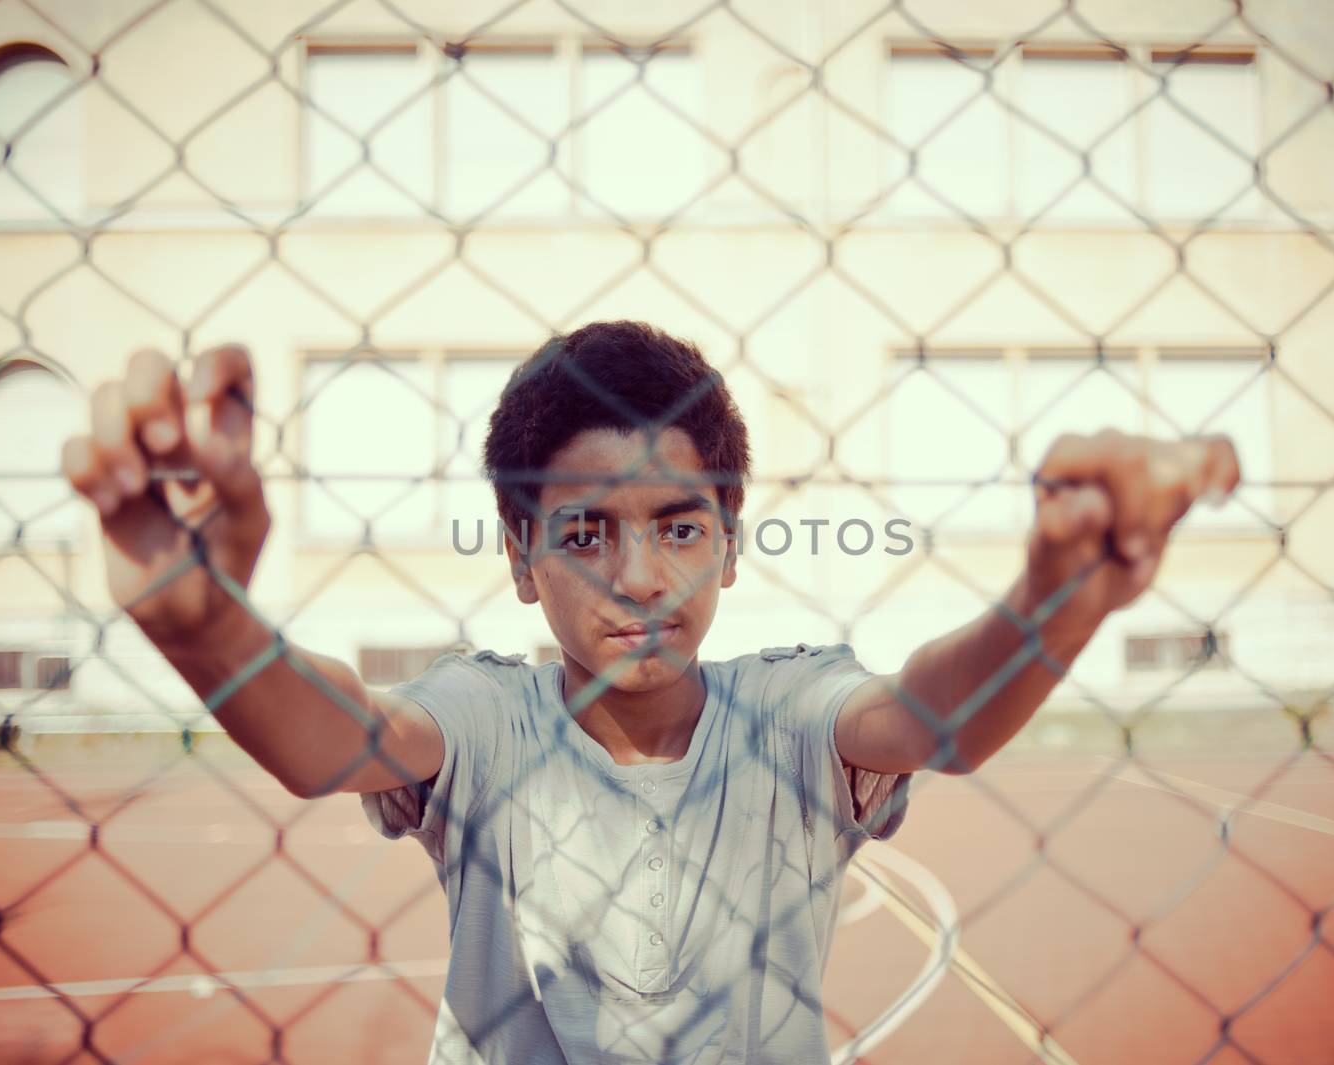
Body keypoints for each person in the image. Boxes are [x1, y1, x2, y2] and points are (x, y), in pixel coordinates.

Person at [62, 321, 1239, 1063]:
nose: (638, 578)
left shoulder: (790, 713)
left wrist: (1051, 597)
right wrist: (202, 621)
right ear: (521, 560)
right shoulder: (486, 718)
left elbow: (937, 714)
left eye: (680, 527)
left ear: (731, 545)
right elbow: (335, 737)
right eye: (584, 532)